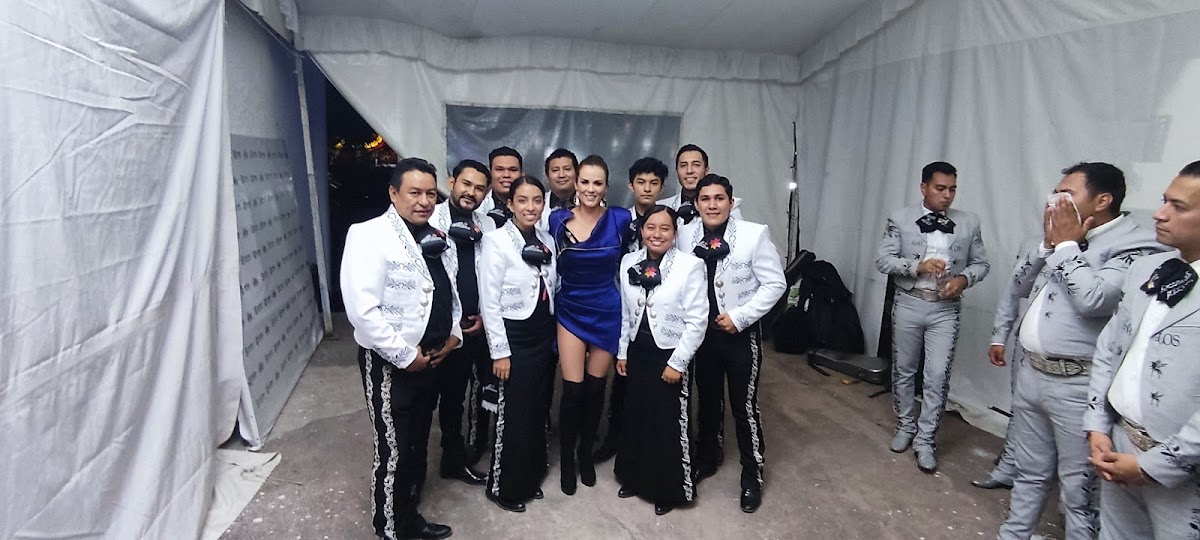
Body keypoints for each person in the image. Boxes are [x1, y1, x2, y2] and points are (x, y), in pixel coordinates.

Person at [994, 163, 1163, 540]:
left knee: (1078, 489)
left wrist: (1068, 246)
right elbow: (1019, 285)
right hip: (1032, 374)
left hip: (1077, 384)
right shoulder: (1058, 237)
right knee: (1029, 471)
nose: (1055, 200)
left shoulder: (1136, 245)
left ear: (1102, 201)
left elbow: (1094, 301)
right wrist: (1047, 245)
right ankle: (1013, 534)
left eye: (1066, 193)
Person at [341, 157, 461, 540]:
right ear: (393, 193)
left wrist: (453, 334)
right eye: (414, 192)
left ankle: (409, 517)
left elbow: (449, 291)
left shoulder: (438, 236)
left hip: (433, 358)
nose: (424, 201)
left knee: (418, 444)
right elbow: (362, 312)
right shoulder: (368, 235)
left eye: (430, 193)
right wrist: (407, 357)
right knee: (394, 449)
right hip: (391, 362)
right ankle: (390, 530)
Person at [1084, 160, 1200, 540]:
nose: (1159, 213)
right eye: (1165, 200)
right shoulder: (1148, 267)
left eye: (1178, 207)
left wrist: (1153, 466)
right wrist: (1097, 426)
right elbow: (1109, 348)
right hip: (1117, 444)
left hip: (1182, 469)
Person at [678, 174, 785, 513]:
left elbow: (775, 283)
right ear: (696, 204)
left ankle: (752, 473)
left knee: (744, 405)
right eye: (705, 199)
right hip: (702, 335)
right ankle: (708, 456)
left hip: (739, 335)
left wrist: (741, 317)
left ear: (730, 201)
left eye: (719, 198)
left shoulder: (754, 234)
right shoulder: (684, 234)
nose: (712, 205)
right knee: (708, 399)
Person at [875, 161, 989, 473]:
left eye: (952, 189)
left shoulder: (970, 221)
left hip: (945, 309)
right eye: (940, 188)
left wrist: (963, 279)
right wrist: (917, 267)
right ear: (923, 187)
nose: (947, 195)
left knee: (937, 375)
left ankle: (925, 439)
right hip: (909, 303)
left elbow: (981, 264)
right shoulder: (900, 218)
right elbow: (883, 261)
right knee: (904, 369)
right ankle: (905, 426)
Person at [613, 205, 708, 515]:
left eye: (665, 228)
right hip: (638, 349)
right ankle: (634, 477)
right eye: (651, 227)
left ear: (674, 233)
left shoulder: (690, 266)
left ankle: (669, 489)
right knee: (637, 414)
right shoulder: (629, 261)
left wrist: (678, 363)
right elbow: (625, 312)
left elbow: (697, 321)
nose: (657, 234)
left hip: (669, 352)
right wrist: (623, 351)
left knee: (667, 420)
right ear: (642, 230)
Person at [548, 155, 634, 495]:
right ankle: (567, 459)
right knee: (573, 390)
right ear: (575, 183)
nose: (590, 189)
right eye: (585, 181)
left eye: (597, 183)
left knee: (596, 389)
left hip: (606, 309)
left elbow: (634, 258)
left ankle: (585, 452)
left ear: (606, 186)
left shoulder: (621, 219)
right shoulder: (556, 220)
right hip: (570, 308)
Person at [478, 176, 558, 513]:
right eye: (522, 200)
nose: (530, 207)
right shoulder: (496, 241)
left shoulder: (547, 238)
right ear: (510, 204)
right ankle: (503, 486)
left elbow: (552, 283)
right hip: (514, 334)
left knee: (537, 407)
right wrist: (500, 352)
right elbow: (489, 300)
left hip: (542, 331)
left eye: (537, 200)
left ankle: (530, 475)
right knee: (514, 411)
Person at [594, 156, 670, 465]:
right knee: (621, 375)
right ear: (630, 186)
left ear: (662, 187)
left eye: (654, 183)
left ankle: (658, 441)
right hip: (620, 303)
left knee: (656, 380)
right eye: (641, 182)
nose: (647, 188)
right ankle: (614, 436)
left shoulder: (668, 221)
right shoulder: (618, 220)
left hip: (659, 312)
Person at [429, 159, 494, 486]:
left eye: (480, 188)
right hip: (445, 327)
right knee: (449, 395)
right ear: (452, 181)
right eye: (466, 184)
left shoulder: (488, 225)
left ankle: (467, 451)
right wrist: (453, 327)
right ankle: (451, 458)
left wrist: (484, 315)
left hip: (479, 322)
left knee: (478, 390)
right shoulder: (431, 219)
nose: (472, 192)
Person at [657, 144, 742, 224]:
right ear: (676, 171)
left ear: (706, 170)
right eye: (683, 165)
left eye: (696, 165)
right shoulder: (663, 206)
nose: (689, 171)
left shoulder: (726, 205)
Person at [479, 146, 523, 228]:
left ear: (522, 174)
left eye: (513, 170)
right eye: (499, 169)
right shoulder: (477, 208)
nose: (506, 175)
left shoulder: (536, 208)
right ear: (490, 173)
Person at [540, 148, 578, 230]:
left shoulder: (588, 201)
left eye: (567, 169)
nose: (561, 175)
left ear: (577, 173)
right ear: (547, 175)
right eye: (555, 170)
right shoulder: (538, 203)